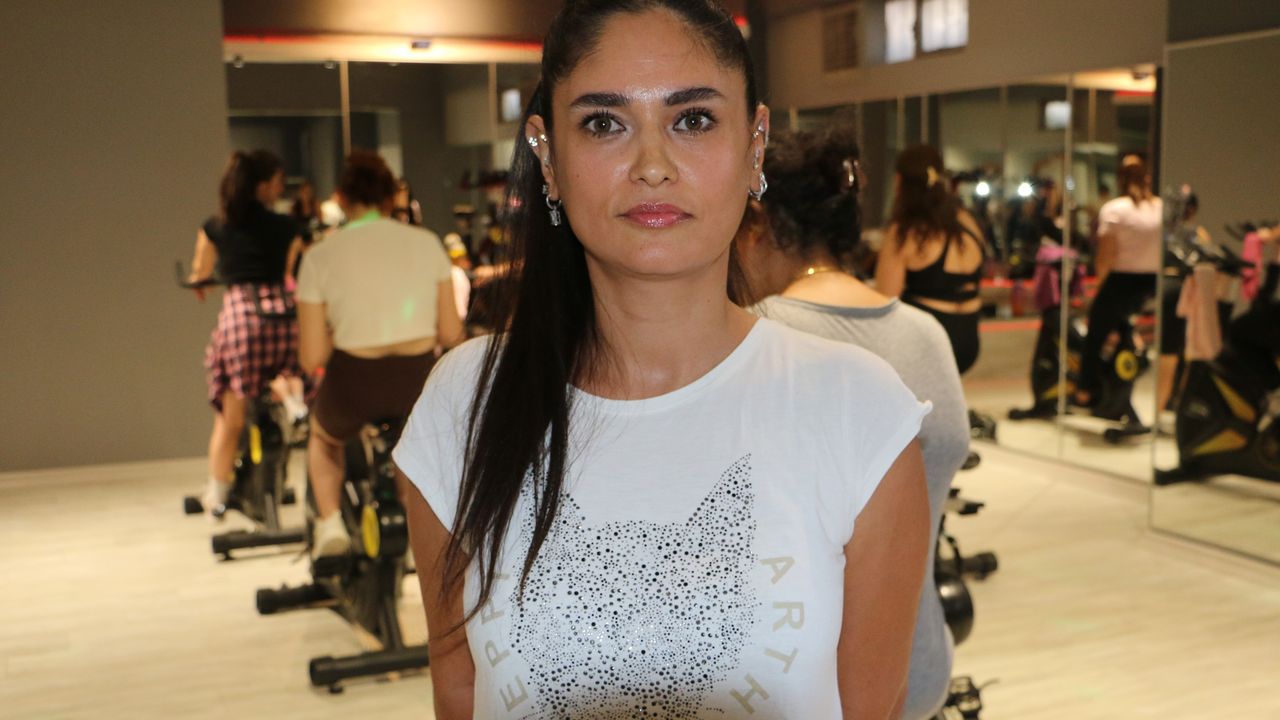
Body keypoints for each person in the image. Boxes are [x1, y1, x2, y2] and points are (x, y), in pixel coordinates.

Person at [391, 2, 932, 718]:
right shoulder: (466, 399)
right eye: (604, 123)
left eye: (693, 120)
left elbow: (873, 704)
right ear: (547, 156)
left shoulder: (857, 407)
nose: (652, 166)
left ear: (755, 144)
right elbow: (459, 687)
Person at [735, 125, 970, 720]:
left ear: (756, 224)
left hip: (816, 685)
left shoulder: (761, 336)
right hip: (921, 664)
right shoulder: (927, 334)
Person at [295, 151, 464, 557]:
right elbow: (450, 333)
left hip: (353, 382)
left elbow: (312, 357)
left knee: (324, 440)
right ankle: (416, 527)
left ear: (340, 198)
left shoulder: (319, 256)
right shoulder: (427, 244)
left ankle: (330, 522)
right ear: (391, 197)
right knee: (412, 446)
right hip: (417, 381)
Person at [188, 150, 305, 513]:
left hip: (243, 318)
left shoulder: (215, 227)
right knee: (287, 369)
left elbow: (200, 273)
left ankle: (218, 494)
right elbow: (289, 272)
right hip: (283, 317)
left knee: (230, 416)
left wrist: (200, 282)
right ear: (264, 185)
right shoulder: (287, 226)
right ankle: (292, 400)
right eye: (278, 182)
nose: (280, 189)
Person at [875, 145, 987, 375]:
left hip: (930, 343)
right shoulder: (967, 221)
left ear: (899, 182)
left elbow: (885, 300)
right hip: (969, 339)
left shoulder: (905, 232)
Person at [1073, 157, 1162, 408]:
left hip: (1121, 281)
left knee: (1095, 335)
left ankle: (1085, 391)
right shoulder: (1160, 208)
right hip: (1152, 282)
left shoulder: (1115, 210)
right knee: (1124, 330)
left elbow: (1106, 256)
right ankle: (1116, 383)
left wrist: (1100, 285)